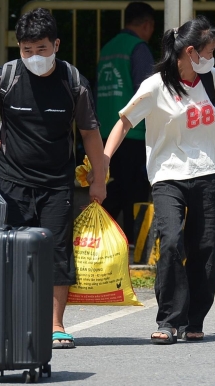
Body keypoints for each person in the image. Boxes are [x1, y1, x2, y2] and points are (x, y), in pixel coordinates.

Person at [99, 16, 215, 344]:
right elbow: (124, 122)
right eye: (209, 51)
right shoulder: (155, 85)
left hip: (207, 172)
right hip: (168, 175)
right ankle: (168, 319)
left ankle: (194, 319)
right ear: (191, 52)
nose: (213, 58)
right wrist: (104, 160)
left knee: (204, 247)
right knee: (170, 242)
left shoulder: (212, 79)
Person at [0, 8, 106, 349]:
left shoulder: (73, 82)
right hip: (11, 182)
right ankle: (14, 319)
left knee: (58, 253)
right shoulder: (7, 76)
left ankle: (56, 324)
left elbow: (90, 133)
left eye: (41, 49)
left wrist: (98, 180)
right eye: (26, 50)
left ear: (56, 45)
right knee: (11, 252)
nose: (34, 57)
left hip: (58, 183)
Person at [96, 2, 155, 245]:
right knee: (134, 189)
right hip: (133, 131)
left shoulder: (108, 48)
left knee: (116, 185)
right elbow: (148, 90)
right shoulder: (138, 48)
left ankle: (99, 231)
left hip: (105, 132)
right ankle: (133, 239)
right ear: (147, 24)